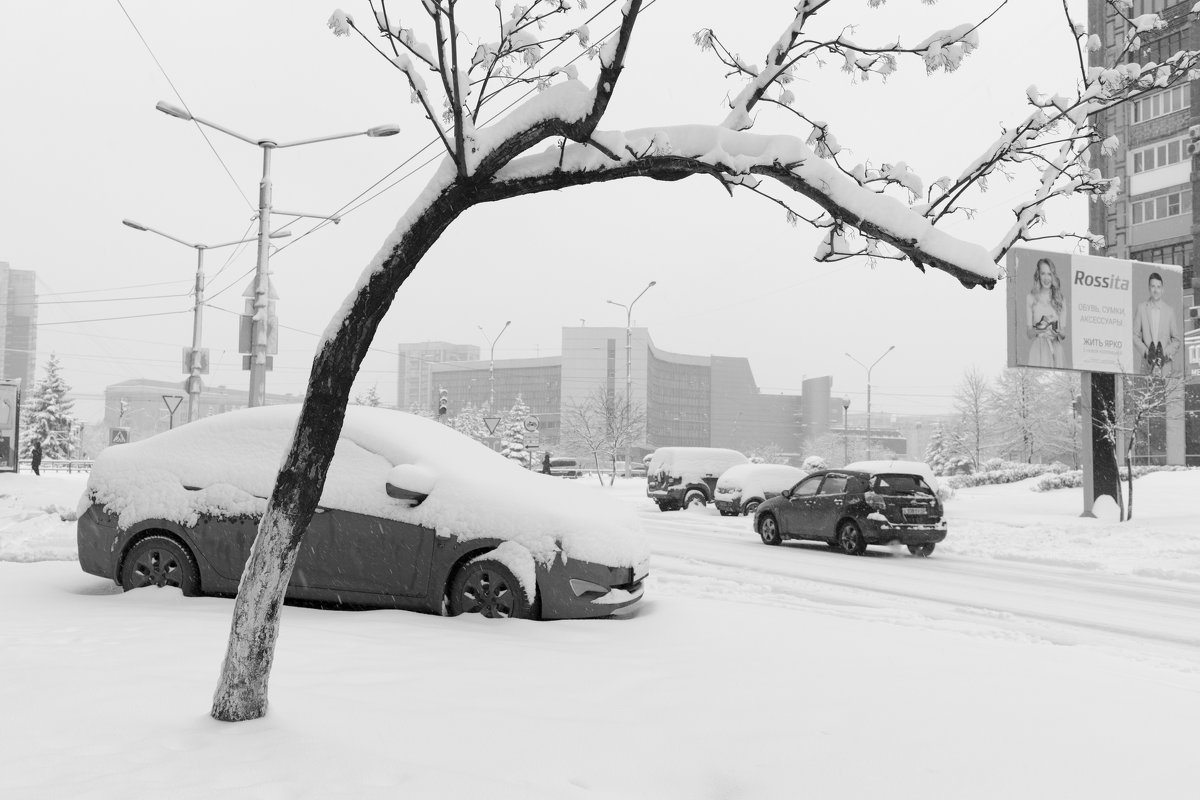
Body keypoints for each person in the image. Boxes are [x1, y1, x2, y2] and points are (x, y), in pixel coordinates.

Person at [1133, 271, 1181, 376]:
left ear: (1162, 289)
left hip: (1165, 367)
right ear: (1149, 288)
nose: (1156, 290)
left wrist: (1164, 354)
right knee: (1146, 392)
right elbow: (1134, 336)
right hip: (1147, 365)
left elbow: (1177, 340)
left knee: (1166, 392)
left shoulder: (1169, 311)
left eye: (1158, 287)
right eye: (1153, 286)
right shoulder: (1141, 308)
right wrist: (1146, 352)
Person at [1025, 257, 1066, 368]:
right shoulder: (1031, 298)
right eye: (1043, 273)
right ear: (1038, 275)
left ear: (1053, 276)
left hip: (1055, 347)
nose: (1047, 278)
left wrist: (1056, 331)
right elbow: (1029, 333)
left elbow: (1063, 334)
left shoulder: (1060, 299)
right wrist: (1041, 328)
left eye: (1049, 274)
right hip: (1038, 348)